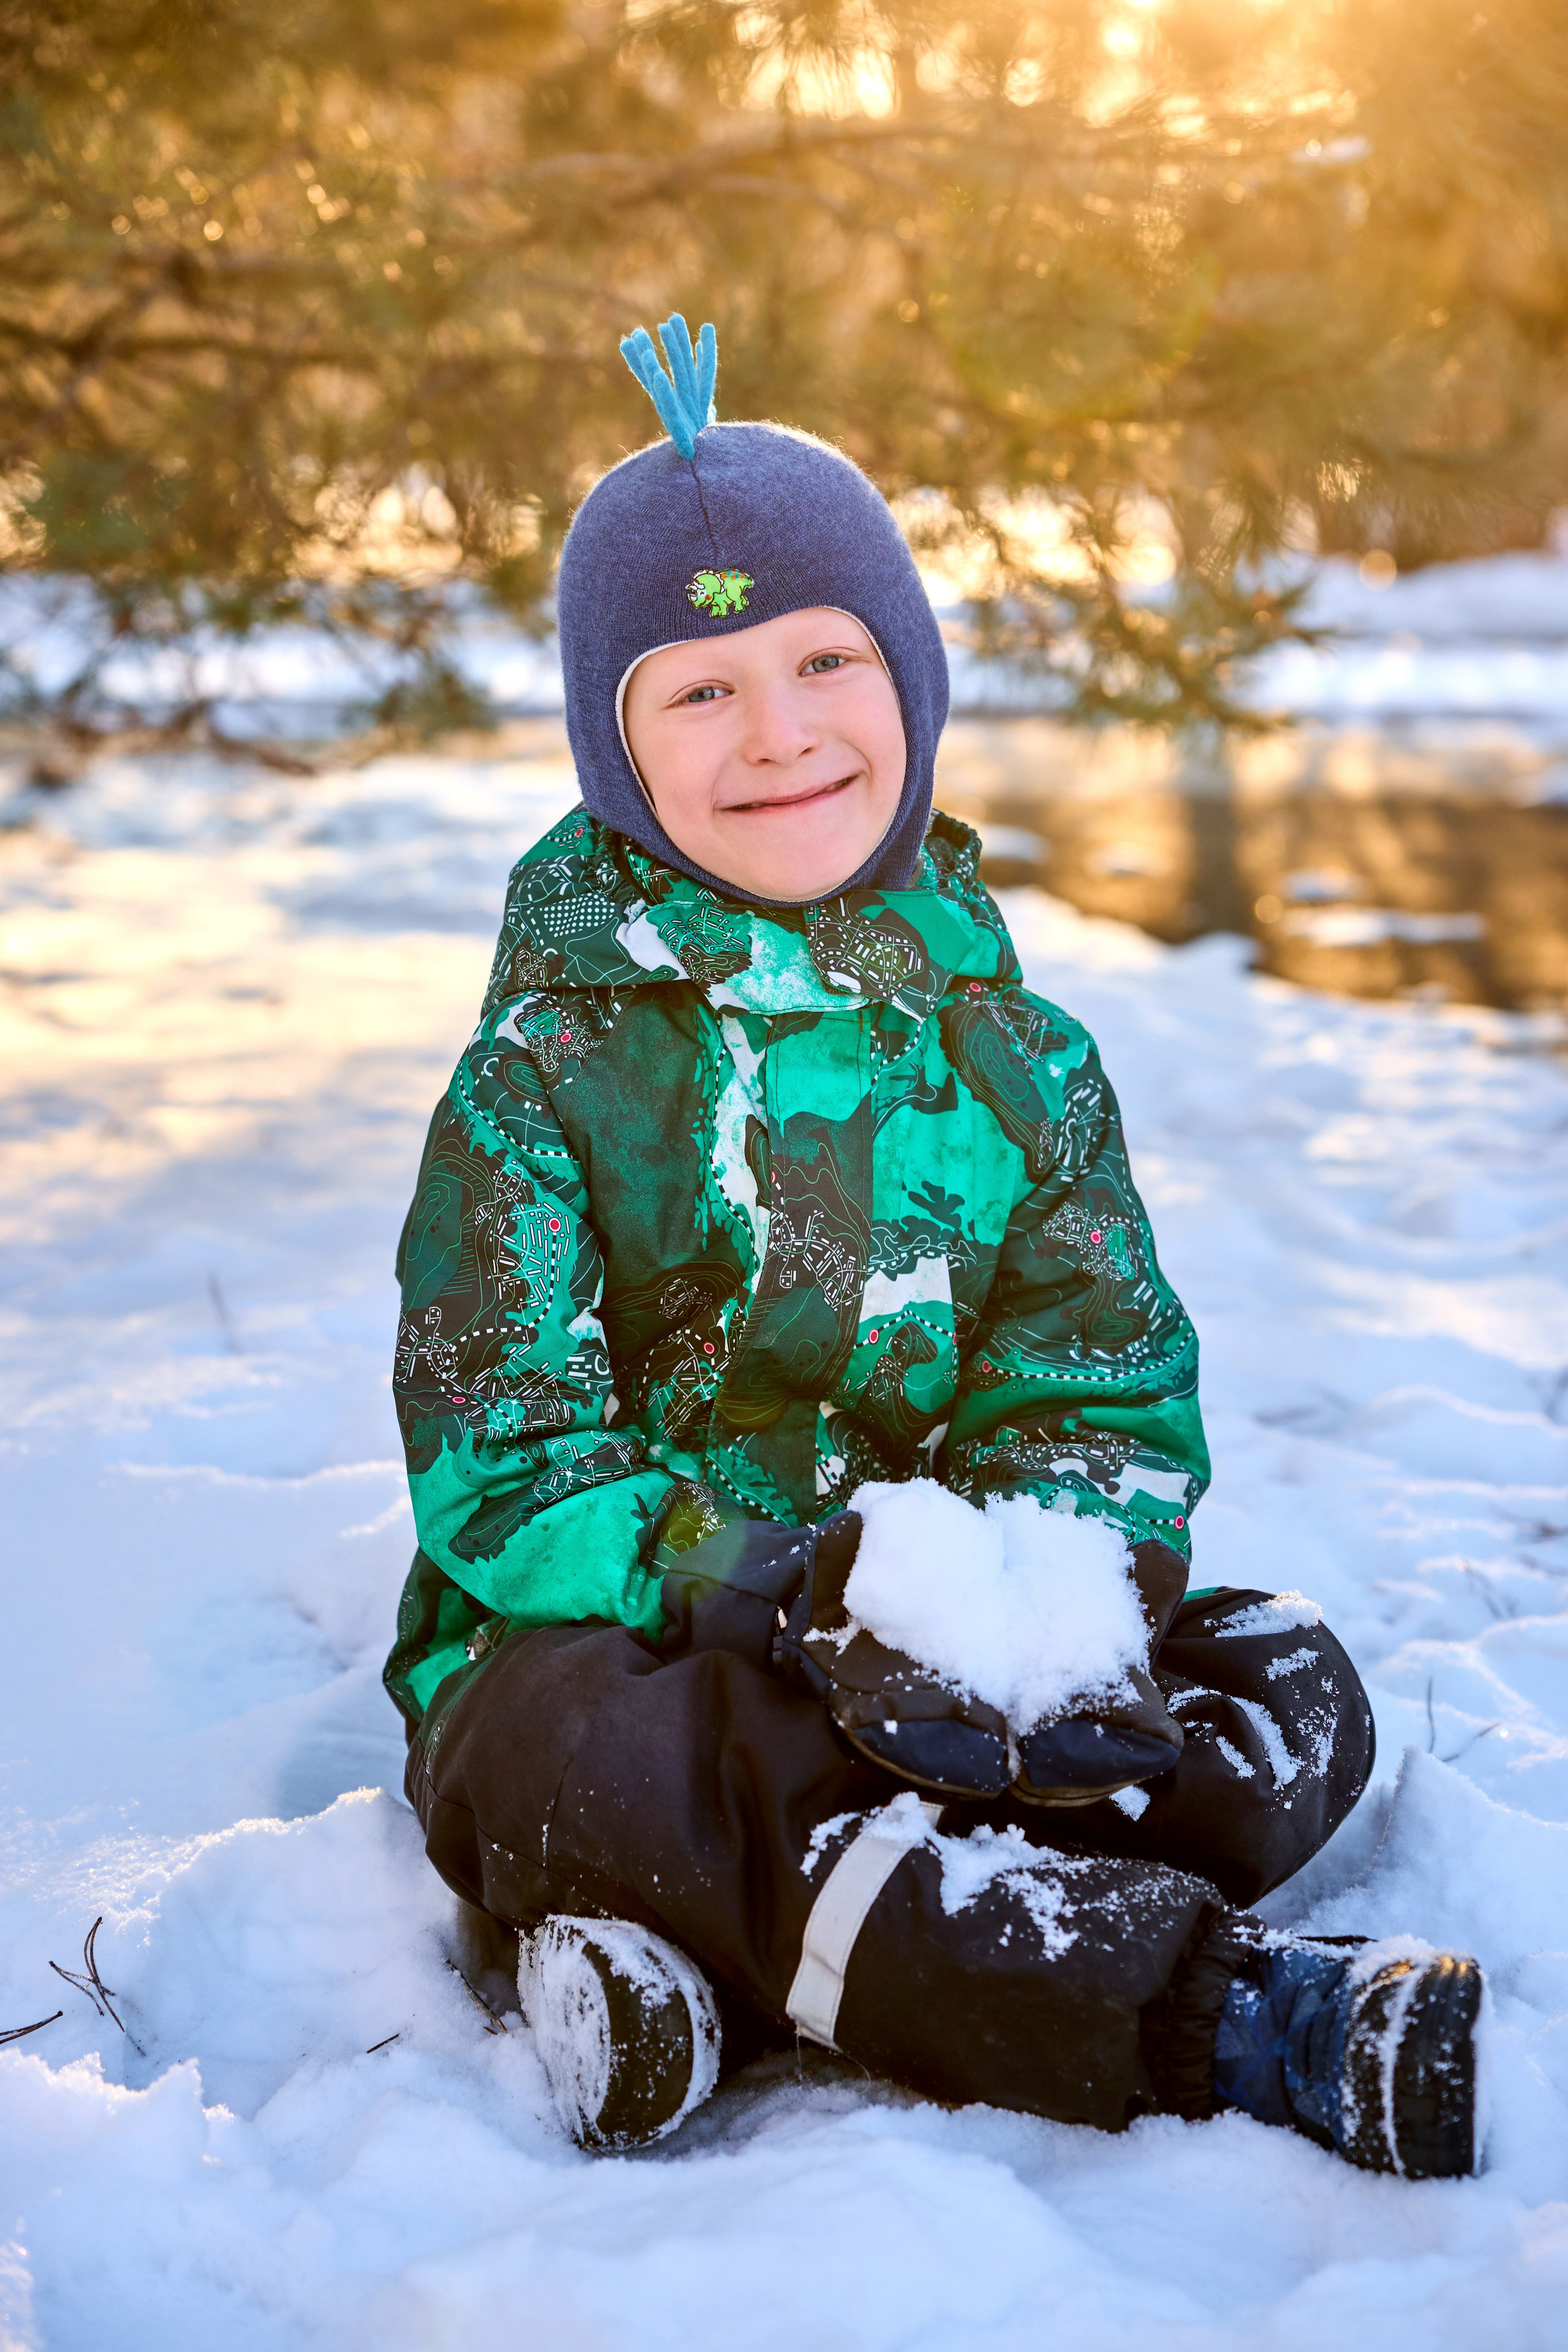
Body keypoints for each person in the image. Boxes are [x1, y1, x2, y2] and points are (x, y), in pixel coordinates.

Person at [385, 316, 1483, 2173]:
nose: (783, 730)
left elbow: (1102, 1391)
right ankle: (1210, 2012)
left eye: (824, 659)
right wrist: (785, 1586)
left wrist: (1038, 1605)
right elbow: (500, 1461)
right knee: (587, 1751)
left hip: (946, 1647)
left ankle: (721, 1966)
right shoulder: (543, 1075)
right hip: (644, 1641)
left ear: (913, 678)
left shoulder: (1022, 1064)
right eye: (700, 692)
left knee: (1287, 1682)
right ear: (612, 747)